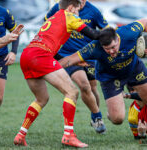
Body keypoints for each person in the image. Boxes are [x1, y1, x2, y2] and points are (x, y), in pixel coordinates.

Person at [13, 0, 102, 148]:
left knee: (41, 99)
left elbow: (50, 46)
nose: (78, 14)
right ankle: (69, 136)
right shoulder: (70, 16)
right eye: (78, 10)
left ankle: (21, 134)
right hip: (40, 56)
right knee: (72, 92)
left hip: (27, 55)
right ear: (71, 7)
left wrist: (72, 61)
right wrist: (117, 33)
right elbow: (94, 35)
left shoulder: (54, 17)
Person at [59, 18, 147, 127]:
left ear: (118, 39)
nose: (111, 51)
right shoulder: (94, 47)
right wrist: (48, 66)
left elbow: (145, 21)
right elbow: (70, 59)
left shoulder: (129, 32)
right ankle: (113, 109)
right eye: (107, 49)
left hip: (134, 69)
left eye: (113, 47)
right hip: (110, 78)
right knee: (117, 119)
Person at [45, 0, 109, 133]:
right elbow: (47, 24)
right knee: (84, 85)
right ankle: (98, 118)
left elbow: (105, 30)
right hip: (67, 55)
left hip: (88, 55)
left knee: (92, 87)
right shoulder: (58, 7)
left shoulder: (94, 11)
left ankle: (94, 116)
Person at [0, 5, 21, 109]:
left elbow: (16, 32)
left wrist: (13, 52)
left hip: (0, 57)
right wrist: (3, 40)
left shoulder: (3, 12)